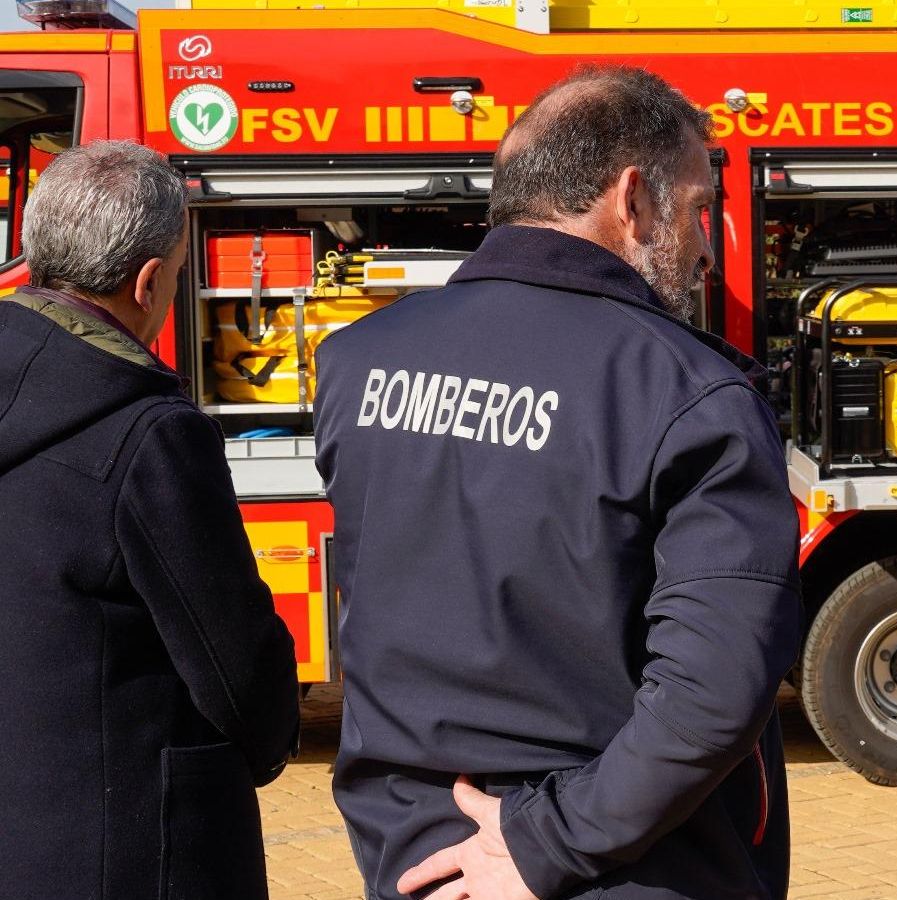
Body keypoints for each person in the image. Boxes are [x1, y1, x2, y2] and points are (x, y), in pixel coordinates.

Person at [315, 66, 801, 900]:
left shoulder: (357, 361)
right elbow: (712, 692)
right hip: (614, 866)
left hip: (417, 861)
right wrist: (545, 844)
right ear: (632, 199)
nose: (704, 246)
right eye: (696, 210)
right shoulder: (689, 394)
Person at [0, 141, 301, 900]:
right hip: (131, 845)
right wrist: (272, 741)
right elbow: (234, 662)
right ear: (148, 280)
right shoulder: (152, 435)